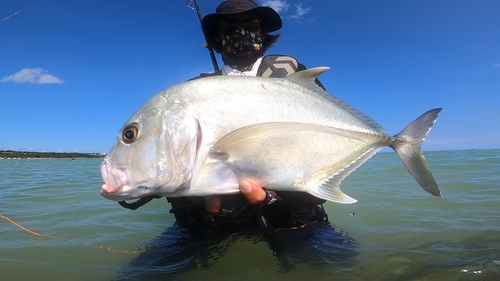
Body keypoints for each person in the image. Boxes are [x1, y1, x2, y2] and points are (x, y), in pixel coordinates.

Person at [116, 2, 357, 277]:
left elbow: (323, 135)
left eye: (250, 26)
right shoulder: (195, 94)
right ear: (217, 38)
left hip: (293, 221)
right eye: (230, 28)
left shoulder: (292, 76)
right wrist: (204, 202)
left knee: (349, 269)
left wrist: (278, 196)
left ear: (263, 33)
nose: (240, 34)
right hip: (212, 226)